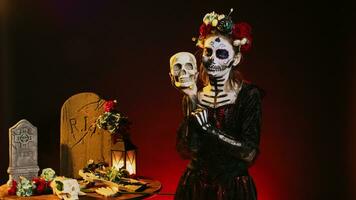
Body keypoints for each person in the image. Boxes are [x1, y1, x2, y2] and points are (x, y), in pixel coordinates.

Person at [173, 10, 263, 200]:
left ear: (235, 59)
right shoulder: (194, 95)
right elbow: (187, 150)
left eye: (221, 53)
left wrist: (209, 129)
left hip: (233, 189)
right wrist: (191, 100)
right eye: (208, 52)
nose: (212, 59)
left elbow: (249, 153)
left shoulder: (248, 95)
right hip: (195, 188)